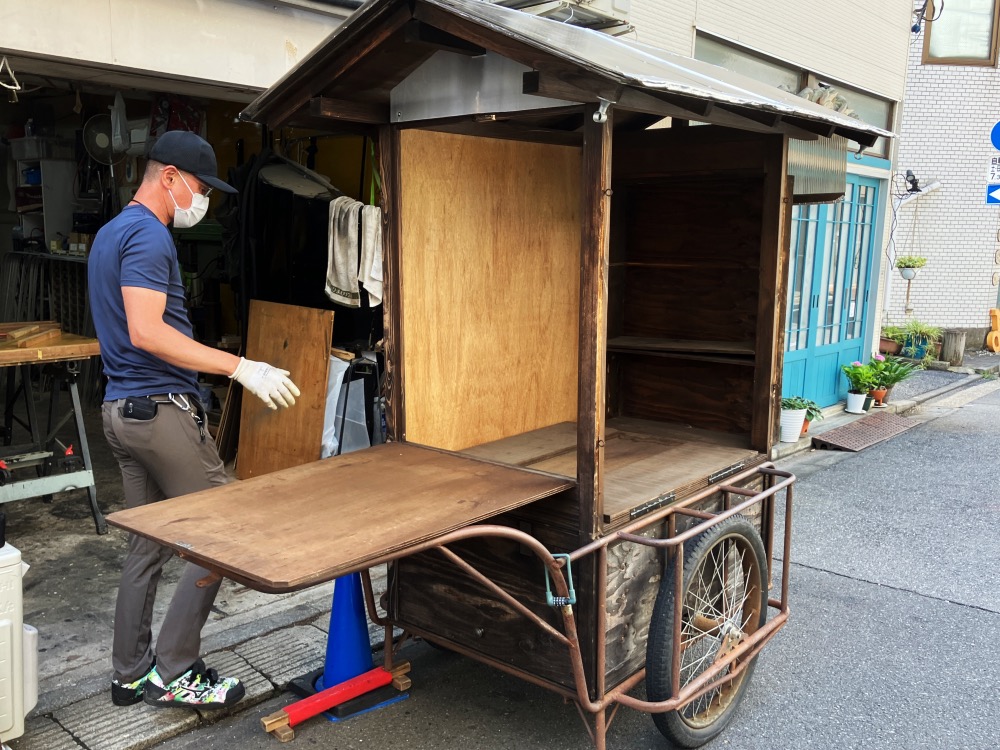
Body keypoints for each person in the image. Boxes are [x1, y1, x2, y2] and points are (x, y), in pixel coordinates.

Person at [88, 130, 300, 710]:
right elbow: (147, 331)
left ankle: (130, 673)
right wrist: (240, 367)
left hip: (122, 410)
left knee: (149, 546)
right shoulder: (149, 237)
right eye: (201, 188)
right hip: (159, 411)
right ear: (170, 178)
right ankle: (177, 670)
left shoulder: (110, 234)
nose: (203, 199)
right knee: (222, 535)